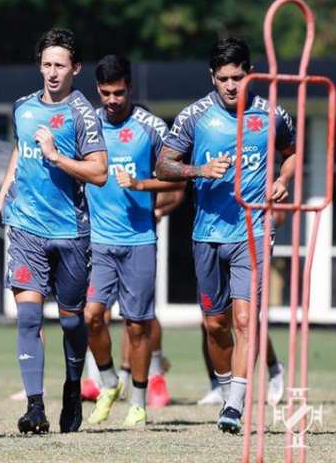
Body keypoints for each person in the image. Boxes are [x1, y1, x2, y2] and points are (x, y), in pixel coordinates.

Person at [156, 37, 296, 434]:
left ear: (249, 74)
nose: (231, 86)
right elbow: (164, 164)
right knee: (215, 325)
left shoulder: (271, 115)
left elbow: (294, 152)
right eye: (224, 79)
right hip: (206, 233)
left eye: (238, 77)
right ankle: (225, 387)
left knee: (244, 318)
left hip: (252, 229)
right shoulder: (194, 116)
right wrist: (199, 171)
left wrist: (283, 180)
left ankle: (234, 406)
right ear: (212, 78)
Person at [0, 27, 108, 434]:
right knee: (28, 318)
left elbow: (100, 172)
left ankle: (73, 388)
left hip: (70, 232)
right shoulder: (23, 107)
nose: (53, 73)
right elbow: (21, 149)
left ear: (76, 69)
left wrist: (56, 157)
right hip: (25, 228)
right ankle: (34, 407)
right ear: (39, 66)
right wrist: (3, 194)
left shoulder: (82, 113)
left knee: (72, 321)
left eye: (61, 65)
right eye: (47, 65)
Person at [82, 55, 185, 427]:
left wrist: (142, 184)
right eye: (106, 93)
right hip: (98, 240)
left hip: (139, 239)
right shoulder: (88, 123)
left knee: (137, 325)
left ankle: (138, 401)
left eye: (119, 93)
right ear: (98, 89)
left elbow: (177, 178)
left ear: (130, 88)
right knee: (91, 316)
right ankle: (109, 383)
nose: (112, 100)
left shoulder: (151, 126)